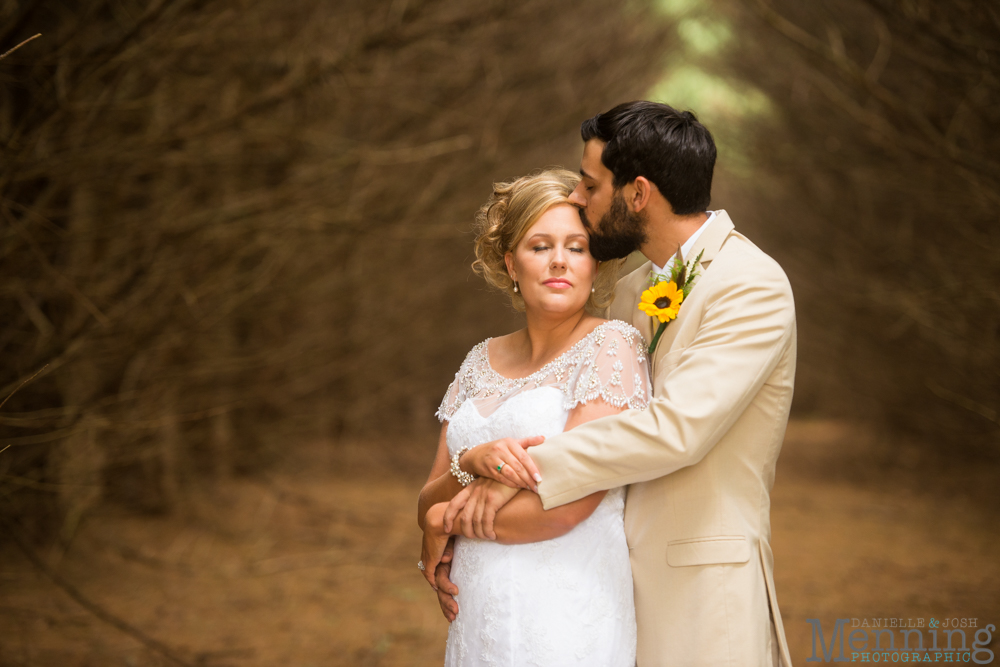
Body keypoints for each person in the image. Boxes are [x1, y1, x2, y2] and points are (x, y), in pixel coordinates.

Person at [436, 101, 797, 667]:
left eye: (589, 183)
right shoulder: (631, 291)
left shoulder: (750, 284)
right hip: (606, 584)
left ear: (638, 193)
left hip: (699, 587)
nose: (579, 198)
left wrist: (520, 471)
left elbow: (677, 430)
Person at [417, 168, 651, 666]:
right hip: (477, 617)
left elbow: (566, 507)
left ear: (595, 263)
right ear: (512, 263)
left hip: (566, 618)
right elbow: (428, 496)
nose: (559, 262)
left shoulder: (611, 347)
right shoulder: (478, 360)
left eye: (577, 247)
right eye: (540, 246)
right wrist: (473, 460)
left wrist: (443, 520)